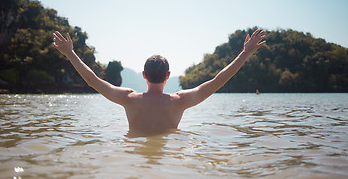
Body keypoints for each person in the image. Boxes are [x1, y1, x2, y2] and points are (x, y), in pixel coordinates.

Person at [53, 29, 266, 132]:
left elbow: (92, 80)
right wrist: (245, 54)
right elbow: (219, 80)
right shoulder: (180, 101)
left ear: (143, 75)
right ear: (168, 76)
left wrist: (70, 53)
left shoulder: (129, 98)